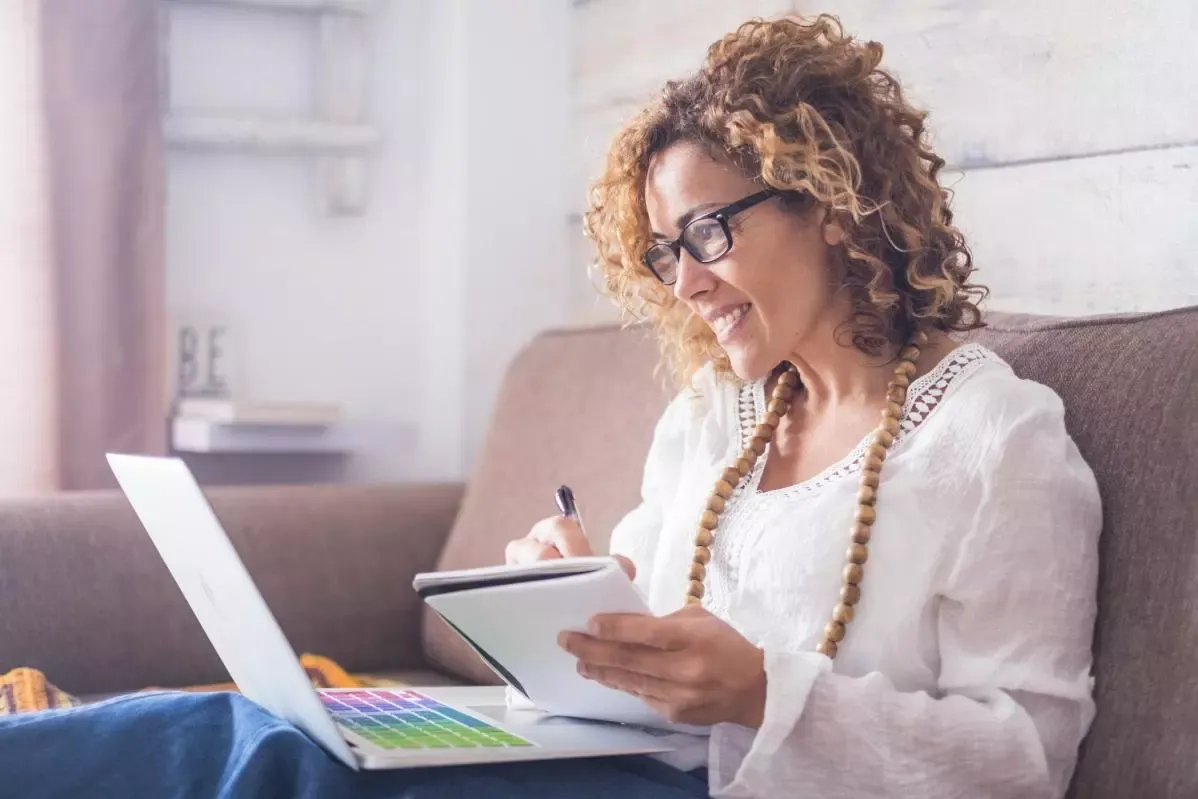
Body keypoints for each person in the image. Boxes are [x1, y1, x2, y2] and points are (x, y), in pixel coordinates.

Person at [0, 14, 1099, 799]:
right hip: (601, 761)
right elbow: (638, 645)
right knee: (253, 725)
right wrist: (561, 595)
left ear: (830, 200)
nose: (685, 280)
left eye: (708, 233)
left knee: (275, 761)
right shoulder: (712, 423)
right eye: (667, 251)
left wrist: (768, 694)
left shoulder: (994, 441)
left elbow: (1023, 759)